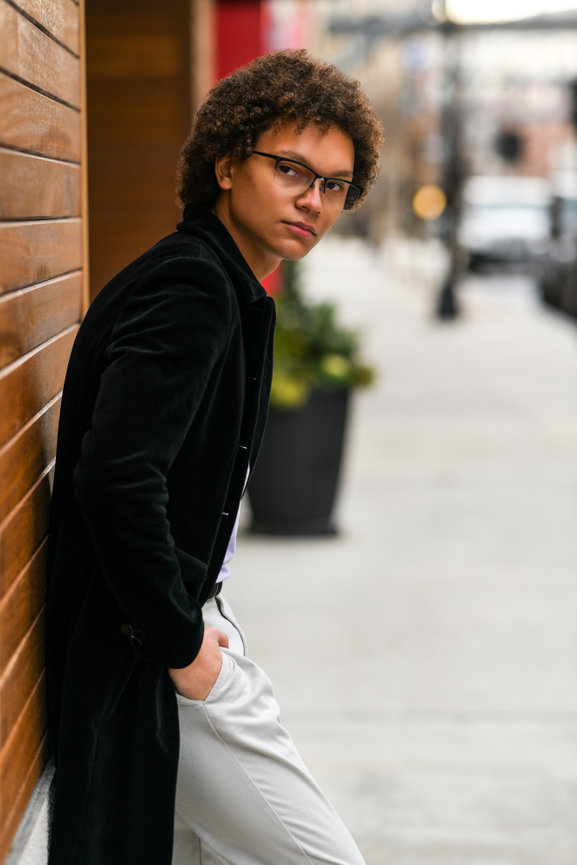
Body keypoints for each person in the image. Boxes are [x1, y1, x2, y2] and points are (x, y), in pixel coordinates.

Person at [45, 49, 383, 865]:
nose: (313, 199)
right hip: (154, 653)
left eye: (334, 185)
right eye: (292, 169)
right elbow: (117, 475)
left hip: (184, 631)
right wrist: (178, 641)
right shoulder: (193, 288)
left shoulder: (224, 283)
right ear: (227, 164)